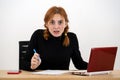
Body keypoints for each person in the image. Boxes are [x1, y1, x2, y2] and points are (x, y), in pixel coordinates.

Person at [25, 6, 88, 71]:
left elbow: (79, 64)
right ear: (46, 24)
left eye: (60, 22)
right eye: (52, 22)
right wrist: (32, 66)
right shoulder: (38, 35)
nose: (56, 27)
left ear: (66, 23)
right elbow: (23, 63)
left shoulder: (72, 38)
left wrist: (96, 67)